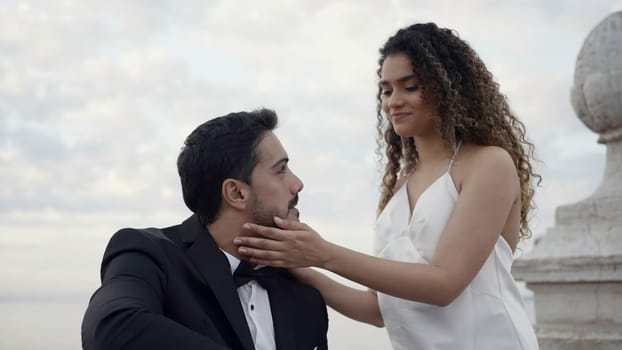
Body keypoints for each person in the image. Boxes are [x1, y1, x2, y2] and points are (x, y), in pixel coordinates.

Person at [234, 23, 540, 349]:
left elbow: (445, 284)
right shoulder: (399, 186)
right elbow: (378, 309)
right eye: (387, 89)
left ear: (449, 87)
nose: (394, 101)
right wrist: (301, 267)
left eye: (410, 86)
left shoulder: (489, 164)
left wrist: (322, 253)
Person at [81, 108, 328, 350]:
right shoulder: (148, 253)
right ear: (236, 193)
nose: (297, 184)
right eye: (281, 170)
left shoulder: (305, 295)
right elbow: (112, 329)